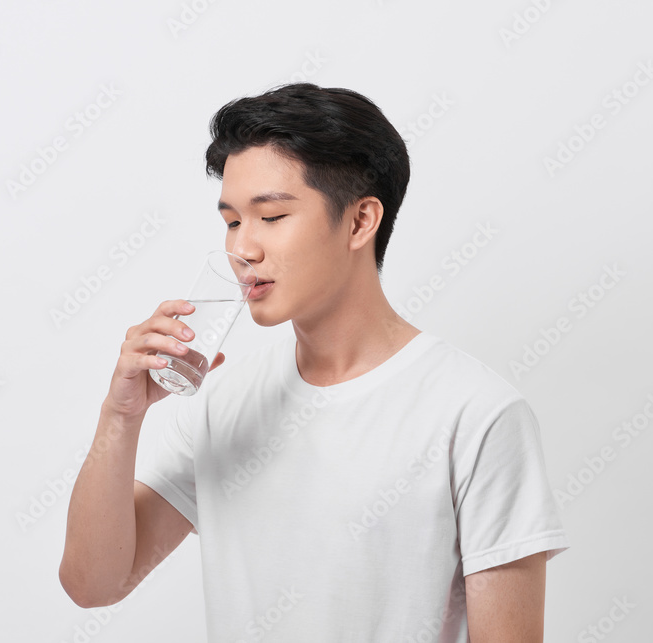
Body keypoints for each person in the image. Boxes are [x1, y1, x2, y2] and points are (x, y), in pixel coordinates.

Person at [59, 82, 571, 642]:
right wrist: (120, 415)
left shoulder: (477, 415)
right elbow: (94, 584)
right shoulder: (223, 403)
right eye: (232, 221)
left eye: (271, 217)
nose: (243, 249)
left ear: (359, 222)